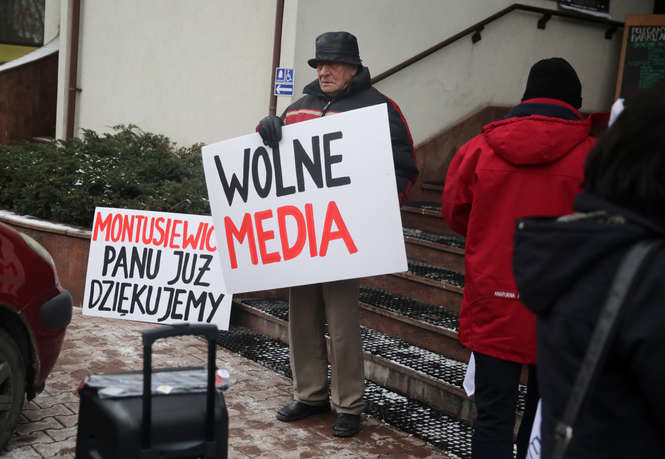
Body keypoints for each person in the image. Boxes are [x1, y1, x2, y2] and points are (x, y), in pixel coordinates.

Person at [257, 31, 418, 437]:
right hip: (305, 237)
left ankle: (349, 404)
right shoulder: (299, 108)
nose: (324, 71)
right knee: (302, 318)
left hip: (346, 237)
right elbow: (275, 169)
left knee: (343, 322)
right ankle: (309, 394)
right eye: (319, 65)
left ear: (353, 68)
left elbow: (405, 170)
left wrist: (375, 210)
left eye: (332, 64)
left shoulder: (380, 107)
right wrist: (267, 128)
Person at [440, 57, 596, 459]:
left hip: (494, 300)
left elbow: (455, 212)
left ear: (526, 97)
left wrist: (487, 235)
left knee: (492, 416)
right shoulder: (594, 157)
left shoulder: (477, 149)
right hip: (562, 308)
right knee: (546, 418)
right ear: (574, 103)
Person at [513, 82, 665, 459]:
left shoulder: (575, 249)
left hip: (497, 300)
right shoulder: (650, 279)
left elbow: (456, 209)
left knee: (497, 407)